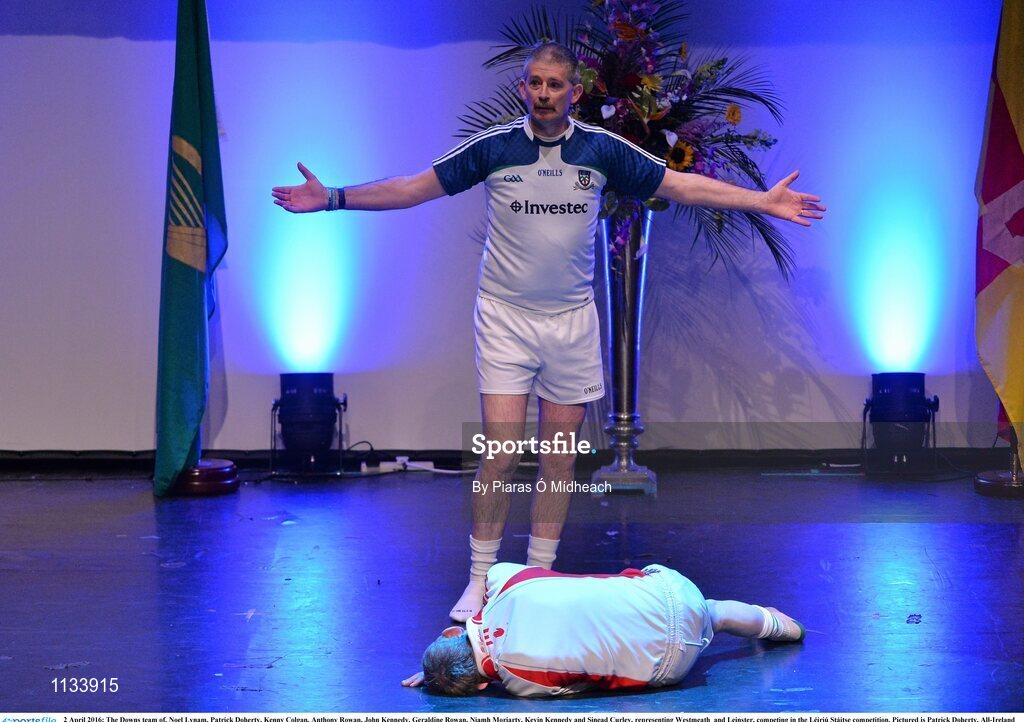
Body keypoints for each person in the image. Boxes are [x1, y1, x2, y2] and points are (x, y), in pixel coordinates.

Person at [271, 42, 826, 623]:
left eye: (554, 84)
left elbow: (679, 186)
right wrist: (333, 197)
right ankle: (481, 582)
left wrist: (760, 202)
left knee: (559, 461)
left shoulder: (602, 149)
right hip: (505, 319)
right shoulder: (495, 147)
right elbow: (413, 188)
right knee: (502, 455)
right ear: (523, 89)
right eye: (534, 83)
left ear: (574, 93)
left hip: (571, 325)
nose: (542, 93)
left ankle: (537, 579)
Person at [400, 562, 806, 697]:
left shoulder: (522, 684)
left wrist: (445, 676)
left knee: (704, 623)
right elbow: (498, 574)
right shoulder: (506, 585)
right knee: (711, 610)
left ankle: (755, 621)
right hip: (671, 597)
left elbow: (578, 686)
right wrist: (447, 653)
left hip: (668, 666)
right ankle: (775, 623)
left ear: (481, 687)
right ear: (450, 633)